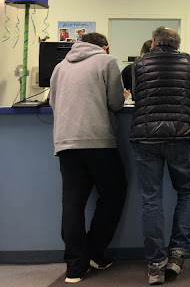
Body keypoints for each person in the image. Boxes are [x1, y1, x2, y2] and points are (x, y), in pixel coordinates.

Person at [49, 32, 127, 284]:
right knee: (114, 193)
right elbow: (116, 103)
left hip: (65, 141)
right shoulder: (106, 61)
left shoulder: (60, 66)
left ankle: (75, 266)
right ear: (104, 46)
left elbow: (52, 102)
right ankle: (94, 251)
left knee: (73, 202)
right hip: (97, 138)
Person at [131, 27, 190, 285]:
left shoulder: (139, 64)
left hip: (145, 137)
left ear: (153, 42)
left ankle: (156, 265)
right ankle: (177, 254)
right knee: (187, 192)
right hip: (180, 136)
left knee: (151, 199)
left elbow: (136, 96)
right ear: (176, 44)